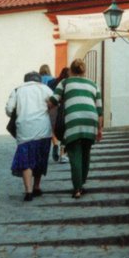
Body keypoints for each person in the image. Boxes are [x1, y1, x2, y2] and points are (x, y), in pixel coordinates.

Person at [51, 58, 103, 199]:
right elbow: (99, 109)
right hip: (91, 120)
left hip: (74, 120)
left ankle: (77, 189)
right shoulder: (93, 84)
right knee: (86, 153)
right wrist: (99, 130)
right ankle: (82, 183)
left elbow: (53, 101)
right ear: (84, 71)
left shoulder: (65, 82)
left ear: (70, 70)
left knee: (74, 154)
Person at [5, 72, 54, 201]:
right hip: (43, 129)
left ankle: (28, 191)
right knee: (40, 158)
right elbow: (54, 103)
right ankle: (37, 186)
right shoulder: (45, 88)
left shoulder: (17, 90)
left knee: (26, 160)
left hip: (24, 130)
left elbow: (9, 110)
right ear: (38, 80)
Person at [48, 66, 70, 162]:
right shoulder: (68, 83)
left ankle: (55, 143)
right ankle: (63, 153)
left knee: (52, 128)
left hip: (53, 108)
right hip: (64, 108)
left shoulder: (53, 82)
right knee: (65, 129)